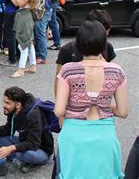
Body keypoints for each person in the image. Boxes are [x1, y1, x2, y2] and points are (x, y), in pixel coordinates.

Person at [54, 20, 129, 178]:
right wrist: (104, 104)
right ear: (103, 43)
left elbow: (59, 110)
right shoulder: (116, 71)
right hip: (105, 136)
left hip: (73, 136)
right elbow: (123, 112)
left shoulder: (68, 71)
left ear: (79, 44)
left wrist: (77, 104)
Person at [0, 87, 54, 173]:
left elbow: (34, 143)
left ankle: (14, 157)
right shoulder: (12, 110)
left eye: (7, 103)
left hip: (40, 149)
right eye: (3, 102)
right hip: (24, 141)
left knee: (26, 154)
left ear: (18, 105)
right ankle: (15, 158)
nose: (4, 105)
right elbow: (7, 129)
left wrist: (11, 148)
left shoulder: (33, 115)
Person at [56, 9, 116, 86]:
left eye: (106, 32)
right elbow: (58, 82)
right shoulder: (68, 50)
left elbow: (110, 78)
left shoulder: (108, 47)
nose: (104, 36)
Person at [4, 0, 38, 78]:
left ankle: (21, 69)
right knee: (28, 43)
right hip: (24, 16)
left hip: (25, 17)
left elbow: (20, 3)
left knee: (23, 43)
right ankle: (33, 66)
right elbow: (17, 3)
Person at [27, 0, 51, 65]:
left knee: (40, 33)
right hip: (45, 10)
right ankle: (39, 54)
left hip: (43, 11)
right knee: (39, 32)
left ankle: (42, 56)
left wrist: (38, 5)